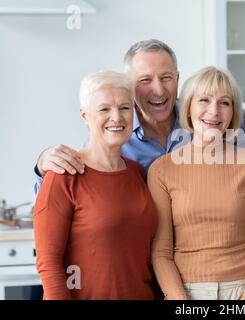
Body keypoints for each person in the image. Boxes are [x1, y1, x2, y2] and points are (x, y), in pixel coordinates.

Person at [33, 39, 245, 192]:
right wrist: (43, 163)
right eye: (145, 80)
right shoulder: (116, 137)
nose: (159, 90)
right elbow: (67, 185)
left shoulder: (205, 116)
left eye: (166, 78)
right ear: (129, 86)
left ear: (178, 79)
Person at [148, 66, 245, 300]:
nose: (214, 112)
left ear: (233, 112)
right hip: (185, 292)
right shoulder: (161, 170)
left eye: (224, 103)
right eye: (204, 100)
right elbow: (161, 252)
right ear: (188, 107)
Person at [33, 71, 158, 299]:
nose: (116, 117)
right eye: (104, 109)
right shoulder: (63, 175)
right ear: (85, 115)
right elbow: (48, 264)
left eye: (124, 108)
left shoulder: (136, 172)